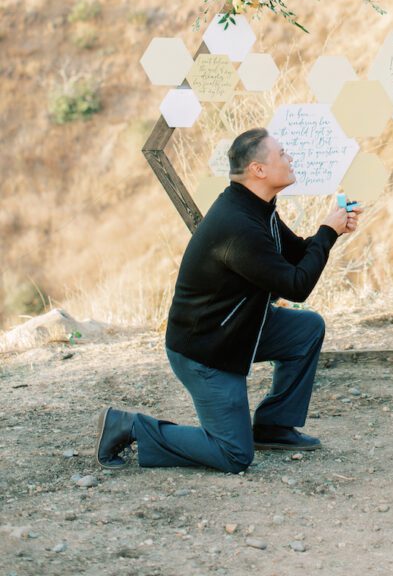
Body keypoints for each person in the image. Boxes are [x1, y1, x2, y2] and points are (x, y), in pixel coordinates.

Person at [96, 128, 359, 472]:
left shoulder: (256, 209)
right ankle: (127, 425)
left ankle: (273, 427)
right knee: (233, 454)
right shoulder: (238, 225)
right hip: (206, 352)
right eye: (282, 153)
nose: (290, 158)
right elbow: (296, 286)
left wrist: (331, 231)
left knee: (307, 328)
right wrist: (327, 231)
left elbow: (297, 255)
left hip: (238, 332)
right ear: (258, 169)